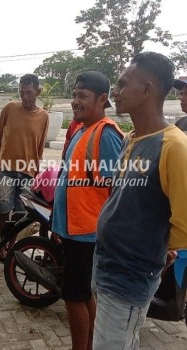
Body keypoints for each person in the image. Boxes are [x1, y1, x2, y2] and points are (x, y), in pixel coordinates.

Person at [92, 52, 187, 350]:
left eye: (122, 84)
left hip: (130, 276)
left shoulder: (173, 147)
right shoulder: (130, 138)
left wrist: (157, 250)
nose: (115, 93)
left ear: (146, 90)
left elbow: (184, 224)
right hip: (107, 266)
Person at [51, 71, 123, 350]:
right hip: (74, 230)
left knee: (73, 296)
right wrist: (60, 226)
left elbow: (118, 190)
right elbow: (72, 182)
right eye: (73, 96)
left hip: (88, 233)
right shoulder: (82, 130)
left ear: (102, 99)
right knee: (81, 294)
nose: (74, 102)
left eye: (82, 96)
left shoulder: (106, 134)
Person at [0, 74, 49, 261]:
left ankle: (10, 247)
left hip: (28, 171)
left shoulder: (44, 116)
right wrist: (4, 156)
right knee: (3, 208)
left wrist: (37, 171)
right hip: (7, 170)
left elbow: (39, 147)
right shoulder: (10, 108)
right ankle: (1, 247)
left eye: (29, 93)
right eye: (22, 92)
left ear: (38, 92)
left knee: (20, 212)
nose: (25, 97)